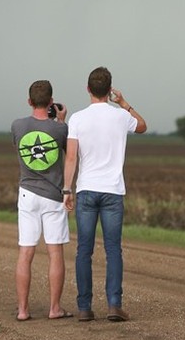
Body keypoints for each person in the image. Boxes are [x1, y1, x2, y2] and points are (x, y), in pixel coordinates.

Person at [63, 66, 147, 322]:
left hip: (87, 190)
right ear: (108, 90)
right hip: (112, 191)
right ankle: (113, 305)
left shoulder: (76, 119)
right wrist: (123, 102)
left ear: (88, 89)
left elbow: (71, 157)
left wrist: (67, 189)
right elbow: (143, 126)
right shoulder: (121, 117)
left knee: (83, 251)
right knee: (113, 250)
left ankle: (85, 307)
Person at [11, 79, 73, 321]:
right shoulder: (60, 129)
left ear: (29, 101)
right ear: (50, 102)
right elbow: (68, 153)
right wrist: (60, 121)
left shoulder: (17, 125)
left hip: (27, 194)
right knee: (54, 252)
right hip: (53, 196)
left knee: (25, 253)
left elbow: (19, 148)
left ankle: (23, 310)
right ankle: (54, 308)